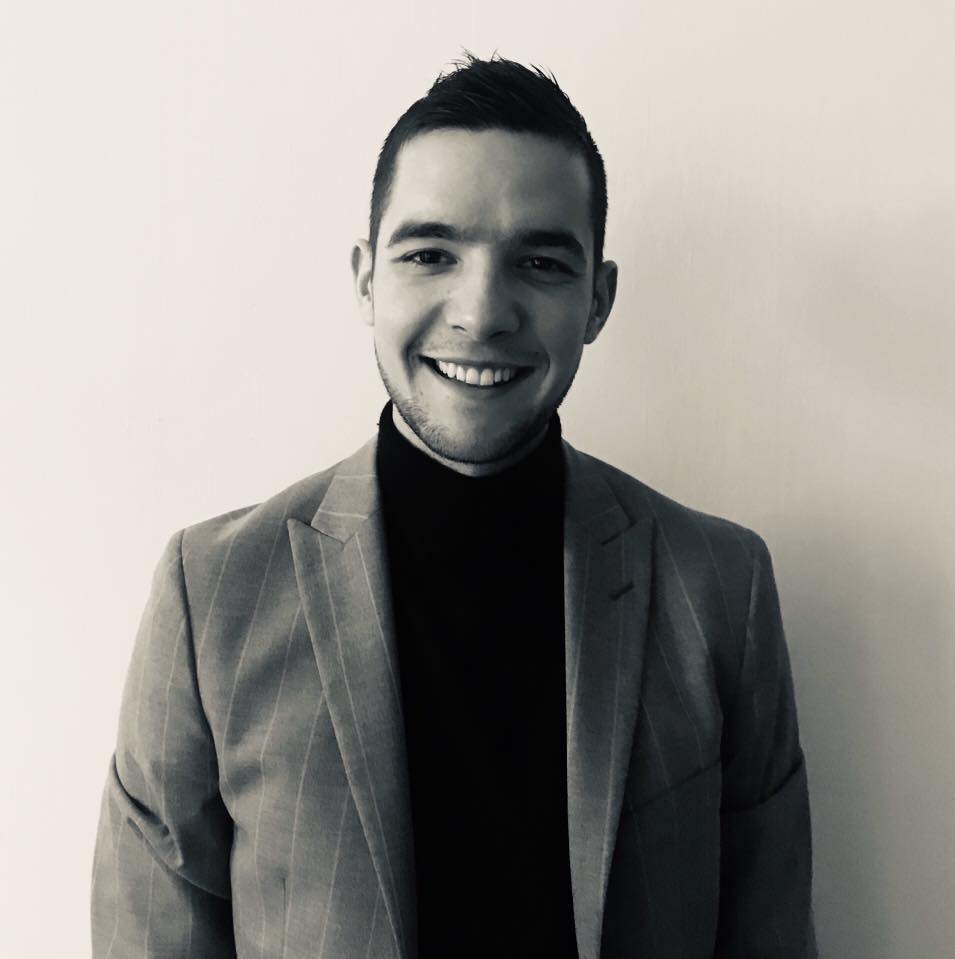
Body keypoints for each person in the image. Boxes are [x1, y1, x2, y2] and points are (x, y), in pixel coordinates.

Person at [91, 53, 816, 959]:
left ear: (597, 299)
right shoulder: (211, 594)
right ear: (366, 279)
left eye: (539, 262)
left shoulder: (721, 586)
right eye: (430, 254)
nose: (481, 312)